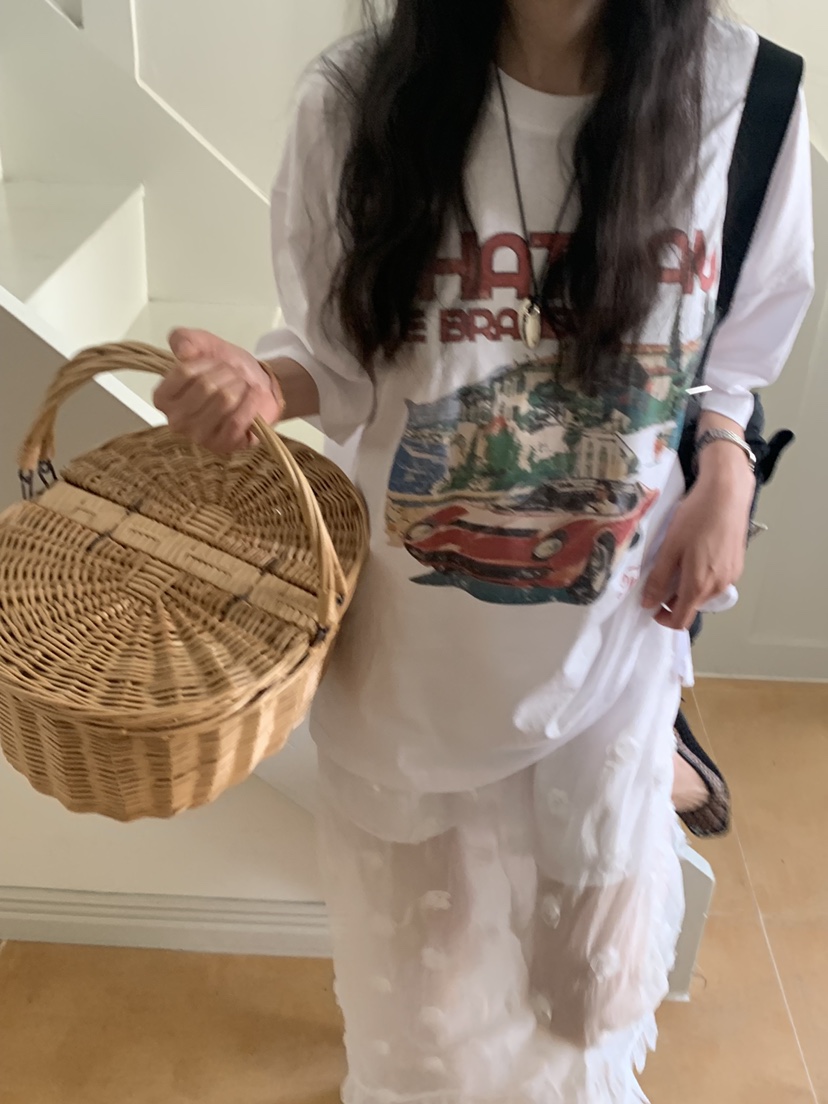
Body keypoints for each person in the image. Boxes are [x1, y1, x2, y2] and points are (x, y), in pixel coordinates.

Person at [155, 2, 814, 1100]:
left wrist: (727, 467)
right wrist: (267, 385)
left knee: (590, 991)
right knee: (429, 1021)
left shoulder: (747, 101)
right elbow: (338, 359)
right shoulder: (357, 104)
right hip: (414, 669)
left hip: (614, 651)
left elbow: (730, 357)